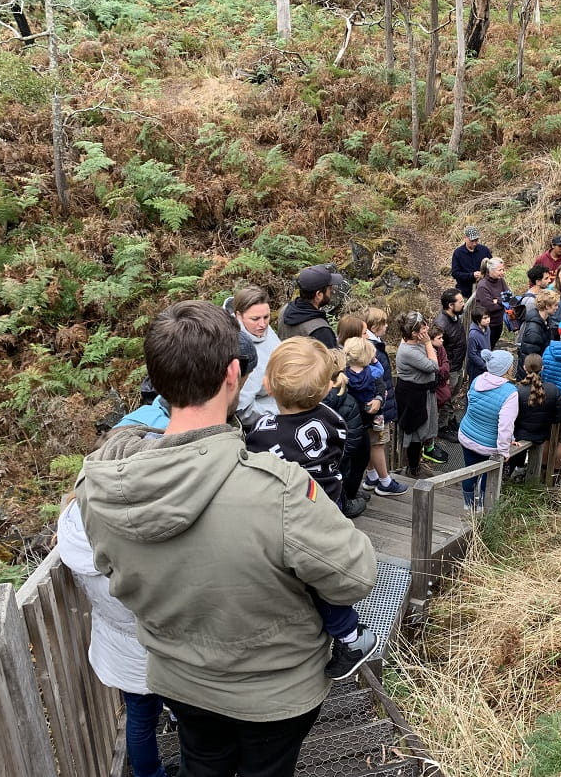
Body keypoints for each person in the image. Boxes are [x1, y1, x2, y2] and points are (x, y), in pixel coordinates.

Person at [76, 301, 377, 777]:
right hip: (274, 691)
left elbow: (112, 568)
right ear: (234, 374)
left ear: (157, 377)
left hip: (180, 680)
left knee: (203, 763)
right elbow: (354, 575)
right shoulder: (276, 489)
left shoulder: (101, 488)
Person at [244, 337, 381, 681]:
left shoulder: (263, 431)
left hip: (297, 510)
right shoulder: (333, 417)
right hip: (329, 502)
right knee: (325, 571)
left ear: (270, 386)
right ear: (322, 389)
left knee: (312, 579)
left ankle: (351, 636)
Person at [57, 497, 169, 777]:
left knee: (139, 715)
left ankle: (148, 773)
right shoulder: (128, 528)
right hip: (160, 639)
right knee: (184, 709)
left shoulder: (74, 522)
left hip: (119, 640)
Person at [458, 349, 519, 513]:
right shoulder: (510, 393)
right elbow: (505, 425)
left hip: (467, 434)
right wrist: (504, 450)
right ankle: (483, 508)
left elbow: (471, 405)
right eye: (511, 364)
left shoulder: (477, 380)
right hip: (488, 445)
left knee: (469, 471)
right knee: (487, 475)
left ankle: (468, 505)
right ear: (506, 369)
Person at [357, 308, 409, 497]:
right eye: (384, 323)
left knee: (371, 441)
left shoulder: (367, 345)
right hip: (378, 405)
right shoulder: (371, 348)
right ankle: (385, 482)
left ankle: (371, 477)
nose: (387, 326)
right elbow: (378, 378)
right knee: (378, 442)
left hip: (373, 404)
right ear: (374, 326)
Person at [222, 285, 281, 428]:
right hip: (267, 419)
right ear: (238, 316)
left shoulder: (258, 328)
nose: (262, 324)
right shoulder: (238, 350)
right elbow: (242, 411)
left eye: (266, 317)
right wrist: (283, 412)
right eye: (255, 319)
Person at [395, 311, 441, 478]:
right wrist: (428, 343)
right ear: (414, 333)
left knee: (422, 430)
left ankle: (417, 462)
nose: (427, 329)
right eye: (423, 328)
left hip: (422, 393)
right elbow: (434, 366)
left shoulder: (415, 341)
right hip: (413, 398)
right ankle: (413, 468)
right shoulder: (408, 350)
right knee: (415, 432)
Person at [323, 348, 370, 513]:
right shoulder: (348, 401)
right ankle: (345, 505)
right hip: (341, 459)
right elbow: (353, 438)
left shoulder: (315, 398)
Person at [511, 353, 561, 481]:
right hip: (542, 434)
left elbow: (511, 415)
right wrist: (547, 421)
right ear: (542, 368)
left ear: (524, 368)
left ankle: (516, 474)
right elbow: (560, 416)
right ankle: (534, 479)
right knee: (536, 461)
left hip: (520, 435)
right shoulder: (553, 390)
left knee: (517, 456)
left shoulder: (517, 390)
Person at [278, 264, 344, 347]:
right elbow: (332, 359)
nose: (332, 291)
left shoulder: (284, 311)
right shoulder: (321, 331)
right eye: (329, 288)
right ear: (319, 294)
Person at [343, 336, 385, 431]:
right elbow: (381, 376)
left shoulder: (343, 375)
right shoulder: (373, 372)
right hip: (370, 412)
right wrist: (374, 360)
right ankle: (378, 419)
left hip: (351, 416)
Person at [517, 288, 558, 372]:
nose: (557, 308)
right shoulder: (534, 329)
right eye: (555, 305)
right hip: (531, 373)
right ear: (547, 306)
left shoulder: (546, 320)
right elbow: (531, 359)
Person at [474, 257, 510, 349]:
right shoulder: (483, 285)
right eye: (500, 270)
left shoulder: (500, 280)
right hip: (487, 325)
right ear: (491, 270)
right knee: (486, 348)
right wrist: (502, 302)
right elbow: (490, 307)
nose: (502, 272)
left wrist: (497, 300)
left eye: (503, 269)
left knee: (492, 346)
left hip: (498, 322)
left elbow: (509, 297)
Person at [451, 226, 492, 300]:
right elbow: (455, 273)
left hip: (484, 291)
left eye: (476, 240)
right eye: (472, 241)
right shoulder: (458, 253)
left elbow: (492, 267)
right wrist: (471, 275)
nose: (474, 243)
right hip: (464, 292)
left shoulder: (484, 250)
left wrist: (483, 275)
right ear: (465, 238)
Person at [467, 305, 491, 383]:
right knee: (474, 385)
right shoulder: (473, 335)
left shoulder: (487, 328)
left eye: (488, 317)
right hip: (476, 367)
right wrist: (484, 365)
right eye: (485, 318)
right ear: (477, 320)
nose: (488, 320)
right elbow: (471, 354)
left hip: (486, 362)